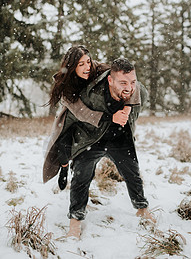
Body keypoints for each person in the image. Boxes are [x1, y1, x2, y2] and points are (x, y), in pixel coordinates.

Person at [43, 57, 155, 240]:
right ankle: (75, 221)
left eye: (132, 82)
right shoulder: (90, 94)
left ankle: (142, 208)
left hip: (120, 138)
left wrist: (127, 107)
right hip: (90, 139)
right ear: (110, 80)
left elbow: (139, 93)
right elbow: (70, 119)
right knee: (81, 176)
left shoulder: (138, 91)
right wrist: (63, 155)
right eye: (123, 82)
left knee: (132, 173)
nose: (129, 87)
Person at [44, 46, 131, 190]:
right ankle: (64, 167)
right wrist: (110, 117)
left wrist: (126, 107)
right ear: (72, 67)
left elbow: (127, 80)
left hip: (94, 115)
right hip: (74, 116)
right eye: (81, 64)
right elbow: (81, 112)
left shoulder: (99, 69)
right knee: (62, 147)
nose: (87, 67)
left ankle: (79, 170)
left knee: (83, 149)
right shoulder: (65, 85)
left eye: (88, 62)